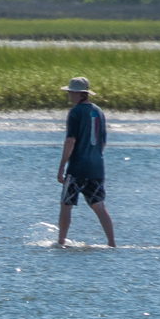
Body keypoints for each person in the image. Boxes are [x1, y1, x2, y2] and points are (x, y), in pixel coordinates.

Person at [56, 76, 115, 247]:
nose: (69, 95)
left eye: (71, 92)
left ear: (79, 94)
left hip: (77, 168)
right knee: (99, 206)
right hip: (96, 168)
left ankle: (61, 241)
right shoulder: (99, 111)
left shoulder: (75, 112)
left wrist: (61, 168)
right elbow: (103, 142)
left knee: (66, 204)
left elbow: (70, 141)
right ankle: (112, 243)